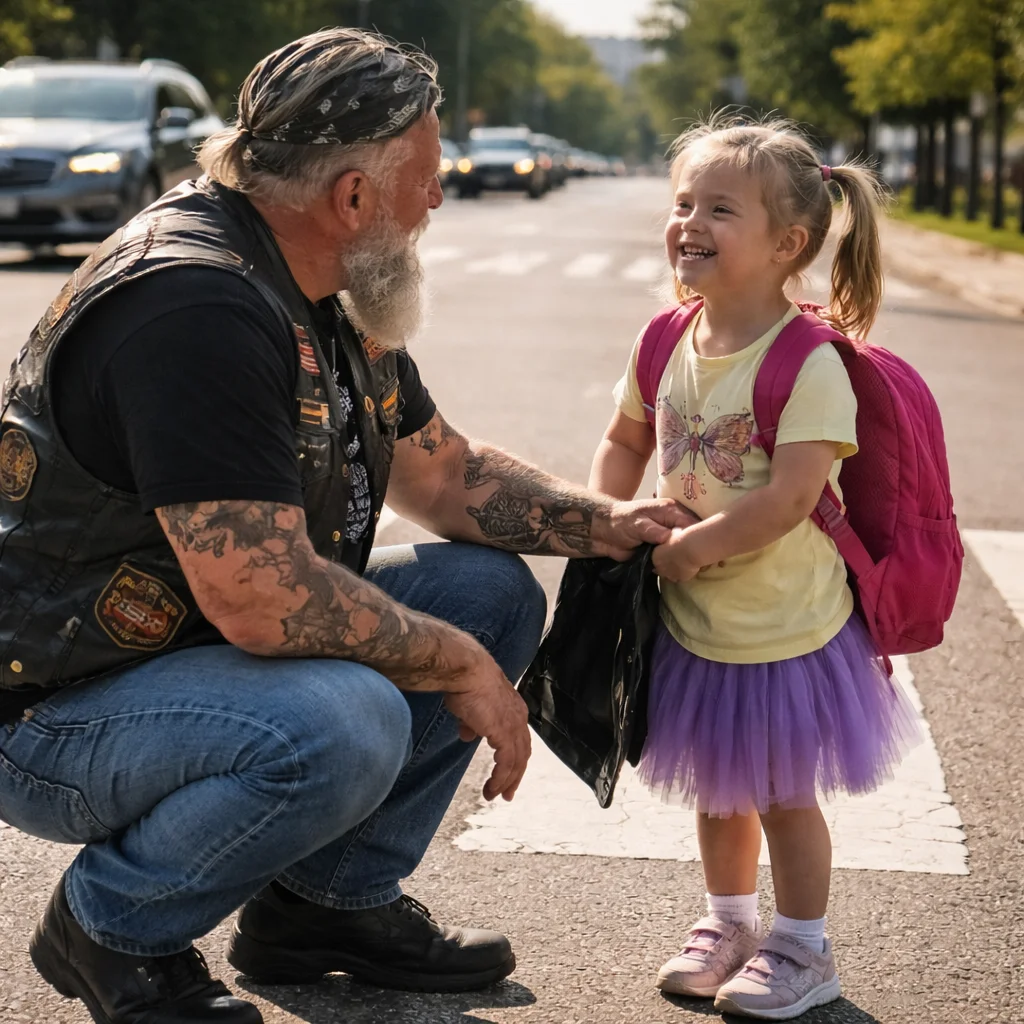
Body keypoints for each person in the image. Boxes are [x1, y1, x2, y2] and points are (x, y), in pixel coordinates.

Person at [0, 29, 694, 1024]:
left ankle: (324, 908)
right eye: (427, 174)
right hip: (55, 711)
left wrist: (612, 524)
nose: (440, 197)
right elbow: (261, 599)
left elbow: (442, 472)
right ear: (354, 198)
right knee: (348, 718)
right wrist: (456, 665)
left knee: (488, 593)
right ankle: (111, 925)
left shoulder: (322, 281)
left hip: (184, 655)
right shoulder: (197, 308)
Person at [589, 115, 921, 1021]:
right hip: (695, 619)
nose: (690, 222)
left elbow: (791, 497)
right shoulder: (665, 339)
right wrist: (606, 517)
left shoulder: (807, 363)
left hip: (784, 627)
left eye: (720, 209)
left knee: (781, 794)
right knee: (719, 789)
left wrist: (692, 548)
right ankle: (729, 923)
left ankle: (805, 949)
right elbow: (623, 439)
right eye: (683, 204)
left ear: (788, 245)